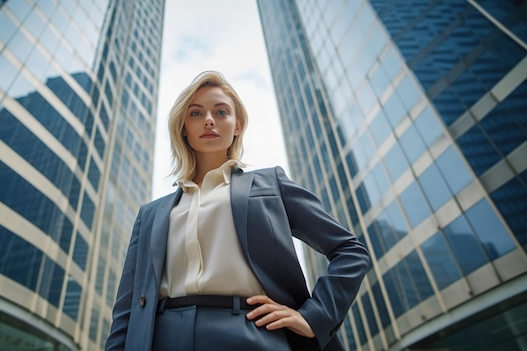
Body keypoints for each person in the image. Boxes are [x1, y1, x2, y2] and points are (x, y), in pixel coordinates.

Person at [105, 71, 370, 351]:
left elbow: (350, 251)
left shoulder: (271, 183)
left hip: (252, 334)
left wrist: (314, 317)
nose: (209, 119)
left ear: (237, 125)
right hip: (161, 337)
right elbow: (127, 306)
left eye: (221, 112)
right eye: (196, 113)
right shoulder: (151, 214)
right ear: (183, 127)